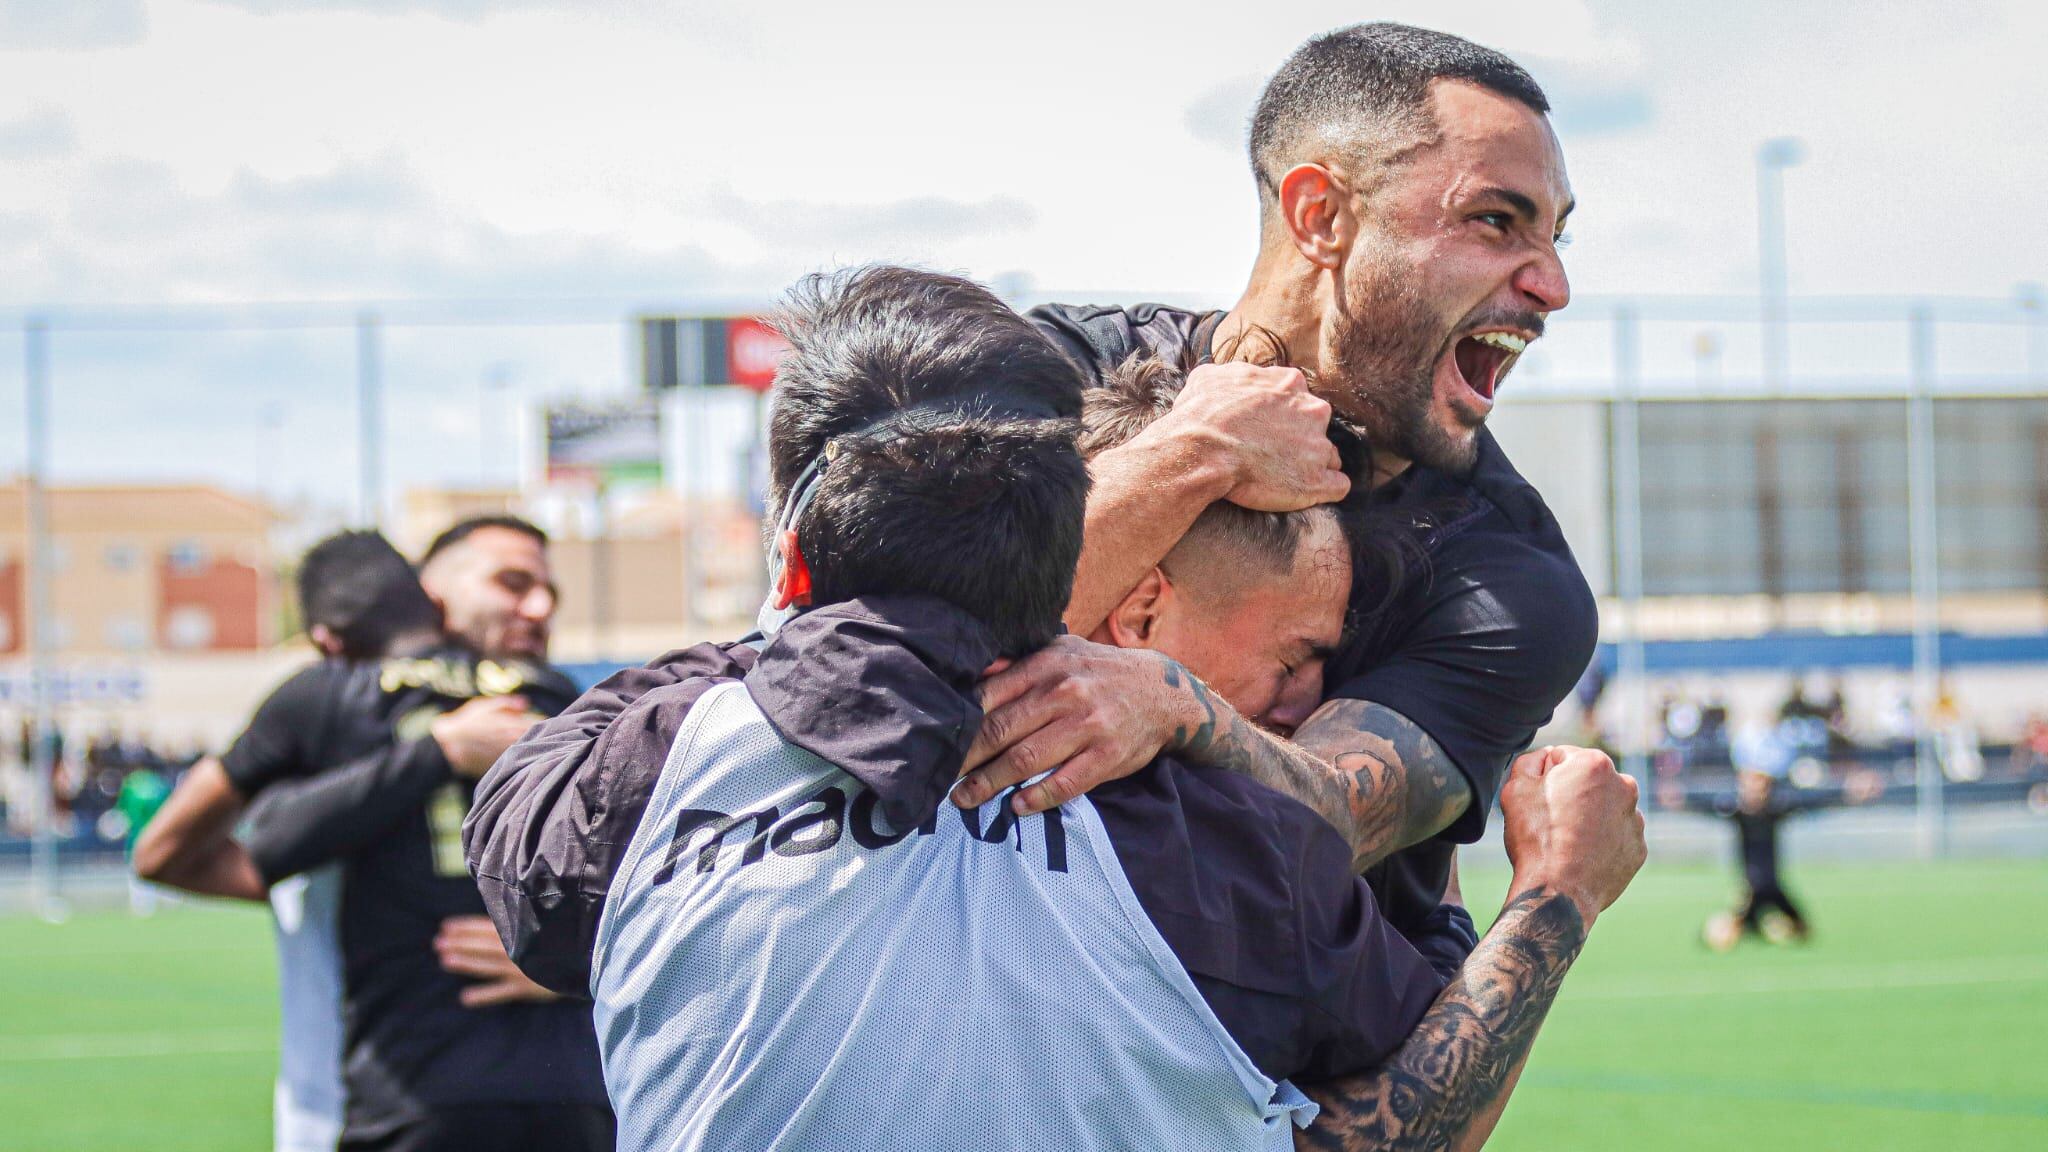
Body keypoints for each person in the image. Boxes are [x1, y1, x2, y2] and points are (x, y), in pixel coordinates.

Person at [465, 265, 1646, 1151]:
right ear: (1133, 616)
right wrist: (1552, 895)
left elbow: (808, 658)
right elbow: (1395, 1130)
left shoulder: (614, 766)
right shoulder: (1229, 854)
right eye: (1297, 652)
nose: (1310, 698)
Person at [954, 24, 1598, 955]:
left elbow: (1310, 827)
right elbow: (906, 663)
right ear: (1321, 216)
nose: (1553, 285)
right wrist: (1194, 452)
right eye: (1495, 221)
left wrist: (1174, 704)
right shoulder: (1055, 374)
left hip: (1263, 1074)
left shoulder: (1505, 578)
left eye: (1554, 232)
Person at [136, 525, 611, 1152]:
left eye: (548, 590)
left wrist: (570, 960)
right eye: (511, 583)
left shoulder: (326, 696)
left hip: (409, 1094)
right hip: (570, 1091)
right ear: (431, 593)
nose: (541, 608)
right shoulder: (556, 700)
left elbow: (173, 851)